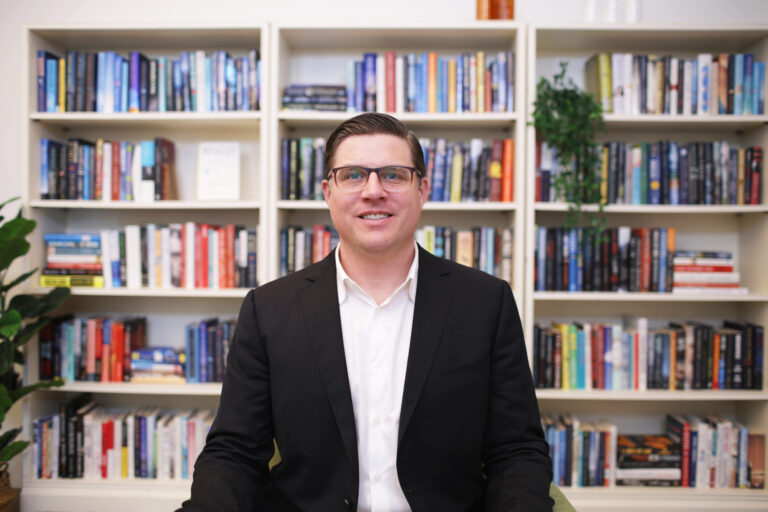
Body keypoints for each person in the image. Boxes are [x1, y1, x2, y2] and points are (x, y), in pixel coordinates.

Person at [179, 113, 553, 512]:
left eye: (393, 175)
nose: (373, 191)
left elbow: (516, 451)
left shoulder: (486, 303)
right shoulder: (268, 309)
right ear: (328, 192)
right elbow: (235, 453)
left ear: (422, 190)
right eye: (353, 175)